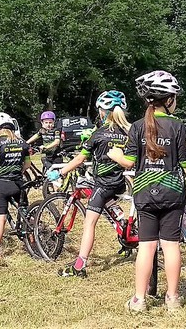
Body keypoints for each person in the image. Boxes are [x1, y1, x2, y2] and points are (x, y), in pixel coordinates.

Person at [111, 70, 186, 313]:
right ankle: (173, 298)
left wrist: (115, 155)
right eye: (174, 97)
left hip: (145, 193)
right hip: (173, 193)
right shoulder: (178, 126)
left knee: (146, 246)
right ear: (168, 100)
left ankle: (139, 299)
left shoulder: (136, 126)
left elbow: (129, 161)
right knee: (171, 245)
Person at [50, 91, 131, 278]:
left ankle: (80, 264)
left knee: (89, 223)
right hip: (120, 182)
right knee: (110, 205)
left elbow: (79, 159)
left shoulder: (99, 134)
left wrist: (60, 172)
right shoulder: (128, 132)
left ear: (103, 112)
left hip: (103, 184)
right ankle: (125, 231)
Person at [0, 112, 32, 259]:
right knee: (25, 212)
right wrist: (19, 171)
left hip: (2, 184)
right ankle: (33, 238)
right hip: (19, 183)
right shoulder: (22, 142)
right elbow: (28, 164)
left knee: (0, 217)